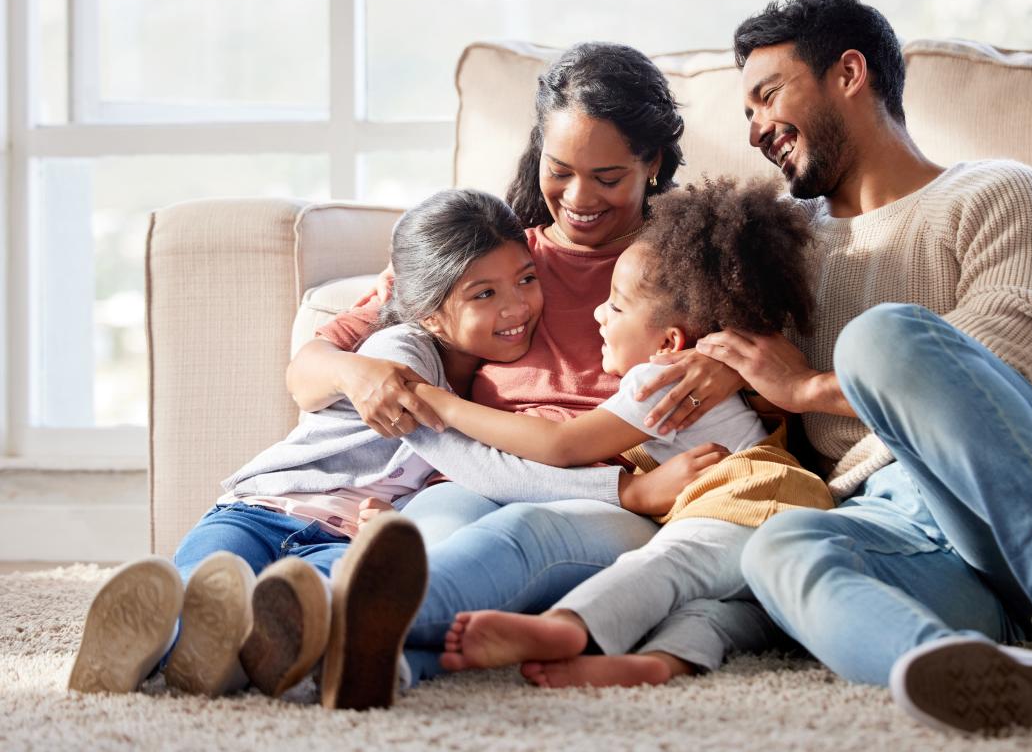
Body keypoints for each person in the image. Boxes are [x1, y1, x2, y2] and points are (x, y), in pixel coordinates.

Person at [637, 0, 1032, 732]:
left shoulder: (999, 191)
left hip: (1030, 488)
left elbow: (1011, 357)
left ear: (849, 73)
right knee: (779, 548)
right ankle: (962, 671)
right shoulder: (778, 240)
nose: (756, 130)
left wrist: (808, 386)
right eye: (744, 114)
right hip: (895, 522)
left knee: (882, 337)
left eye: (767, 95)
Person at [283, 42, 780, 700]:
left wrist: (729, 368)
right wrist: (357, 375)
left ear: (651, 163)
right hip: (481, 468)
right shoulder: (495, 254)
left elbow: (776, 374)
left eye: (607, 176)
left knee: (520, 537)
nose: (578, 198)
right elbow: (317, 363)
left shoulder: (684, 265)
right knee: (428, 537)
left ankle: (311, 622)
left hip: (606, 492)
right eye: (560, 169)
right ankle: (385, 662)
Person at [67, 190, 694, 708]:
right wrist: (622, 490)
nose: (517, 307)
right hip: (259, 509)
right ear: (427, 311)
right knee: (199, 586)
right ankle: (146, 643)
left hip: (343, 540)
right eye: (483, 294)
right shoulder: (401, 360)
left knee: (286, 619)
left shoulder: (480, 372)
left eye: (525, 280)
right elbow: (481, 466)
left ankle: (208, 664)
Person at [415, 180, 831, 688]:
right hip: (769, 514)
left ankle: (567, 627)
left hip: (755, 498)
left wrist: (446, 406)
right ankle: (657, 664)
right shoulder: (691, 369)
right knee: (717, 608)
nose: (597, 314)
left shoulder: (658, 379)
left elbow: (559, 445)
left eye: (614, 306)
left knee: (668, 564)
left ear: (669, 340)